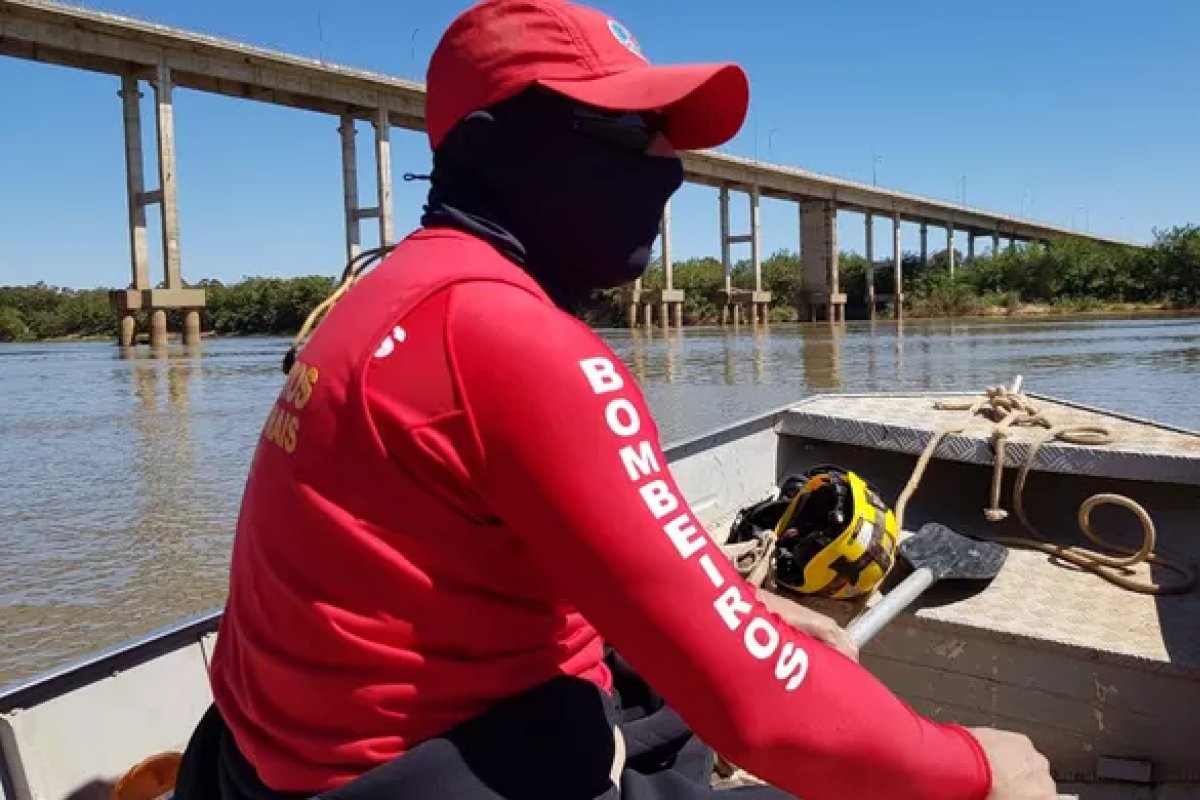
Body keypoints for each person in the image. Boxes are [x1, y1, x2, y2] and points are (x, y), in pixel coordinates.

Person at [172, 1, 1059, 799]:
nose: (669, 165)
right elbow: (767, 715)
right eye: (631, 130)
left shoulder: (385, 297)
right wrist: (981, 767)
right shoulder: (513, 343)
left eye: (667, 132)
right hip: (430, 771)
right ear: (494, 146)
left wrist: (744, 611)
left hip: (285, 768)